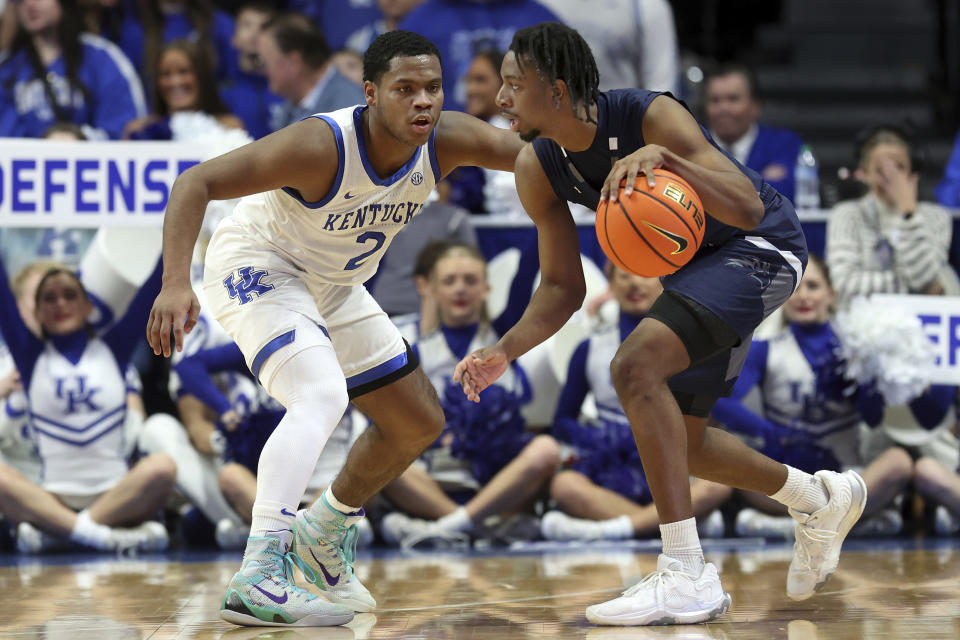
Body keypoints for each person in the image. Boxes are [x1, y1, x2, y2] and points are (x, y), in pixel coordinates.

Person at [453, 22, 865, 627]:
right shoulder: (537, 168)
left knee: (633, 366)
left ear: (559, 89)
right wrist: (505, 350)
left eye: (515, 84)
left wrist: (669, 160)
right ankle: (819, 499)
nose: (502, 98)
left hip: (761, 245)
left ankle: (684, 572)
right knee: (686, 441)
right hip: (699, 272)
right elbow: (564, 286)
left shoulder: (651, 116)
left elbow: (748, 206)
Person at [146, 30, 524, 627]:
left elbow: (540, 156)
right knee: (321, 395)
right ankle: (261, 572)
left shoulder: (446, 138)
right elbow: (196, 182)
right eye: (405, 89)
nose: (423, 101)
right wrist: (174, 284)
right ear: (371, 93)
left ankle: (321, 535)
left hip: (333, 280)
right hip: (258, 262)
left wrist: (622, 155)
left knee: (417, 420)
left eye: (433, 87)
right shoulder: (321, 144)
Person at [711, 255, 916, 539]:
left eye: (813, 286)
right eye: (794, 288)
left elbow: (873, 417)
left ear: (831, 294)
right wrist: (771, 433)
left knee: (899, 462)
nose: (803, 296)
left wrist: (868, 379)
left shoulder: (856, 346)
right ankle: (848, 525)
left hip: (843, 476)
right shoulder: (764, 349)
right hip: (788, 478)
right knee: (732, 462)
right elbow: (721, 401)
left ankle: (793, 528)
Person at [379, 243, 557, 548]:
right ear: (430, 289)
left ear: (487, 288)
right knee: (378, 455)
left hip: (496, 478)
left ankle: (443, 528)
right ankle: (473, 527)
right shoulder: (412, 347)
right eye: (449, 281)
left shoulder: (503, 338)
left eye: (470, 280)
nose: (460, 289)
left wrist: (549, 201)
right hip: (434, 475)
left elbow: (528, 270)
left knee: (546, 450)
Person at [543, 264, 730, 541]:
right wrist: (597, 438)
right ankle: (685, 528)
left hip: (675, 460)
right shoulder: (589, 348)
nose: (634, 283)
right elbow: (562, 420)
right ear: (611, 285)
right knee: (564, 485)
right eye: (624, 275)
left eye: (644, 272)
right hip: (611, 465)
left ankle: (616, 529)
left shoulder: (691, 345)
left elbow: (712, 413)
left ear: (664, 282)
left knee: (721, 481)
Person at [0, 255, 174, 553]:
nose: (60, 304)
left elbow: (153, 284)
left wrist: (177, 220)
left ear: (88, 306)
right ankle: (102, 535)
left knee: (163, 467)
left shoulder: (114, 349)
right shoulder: (29, 357)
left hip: (117, 493)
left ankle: (63, 533)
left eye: (70, 295)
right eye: (49, 299)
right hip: (53, 497)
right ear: (37, 312)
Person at [826, 124, 956, 308]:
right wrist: (911, 289)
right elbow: (845, 286)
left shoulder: (936, 217)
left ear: (913, 171)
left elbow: (921, 275)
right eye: (880, 170)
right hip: (862, 325)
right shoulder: (846, 215)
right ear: (865, 173)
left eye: (899, 167)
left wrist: (908, 213)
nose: (891, 177)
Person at [0, 0, 146, 139]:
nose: (29, 4)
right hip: (27, 162)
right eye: (20, 0)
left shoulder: (101, 57)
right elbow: (5, 136)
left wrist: (81, 139)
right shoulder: (8, 68)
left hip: (90, 161)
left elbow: (127, 128)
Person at [704, 64, 805, 204]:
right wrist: (760, 183)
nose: (723, 108)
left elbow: (781, 196)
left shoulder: (784, 143)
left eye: (733, 99)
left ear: (755, 106)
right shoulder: (692, 144)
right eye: (715, 100)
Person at [537, 0, 679, 94]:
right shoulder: (537, 4)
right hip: (553, 128)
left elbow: (662, 89)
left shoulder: (646, 6)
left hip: (621, 128)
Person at [258, 12, 365, 132]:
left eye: (264, 63)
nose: (261, 71)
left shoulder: (349, 112)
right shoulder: (289, 109)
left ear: (293, 63)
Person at [124, 39, 244, 140]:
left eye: (184, 72)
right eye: (166, 74)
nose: (175, 82)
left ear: (202, 76)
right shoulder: (138, 131)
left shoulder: (229, 128)